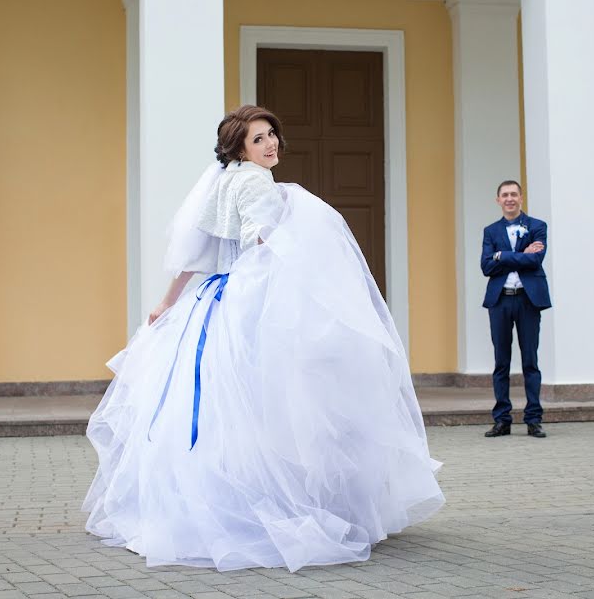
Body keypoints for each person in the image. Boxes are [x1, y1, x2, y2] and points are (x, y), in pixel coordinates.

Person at [83, 105, 444, 573]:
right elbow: (260, 240)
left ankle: (213, 503)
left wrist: (167, 301)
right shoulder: (255, 180)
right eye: (258, 139)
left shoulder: (225, 179)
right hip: (249, 299)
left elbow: (197, 251)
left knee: (224, 411)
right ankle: (274, 505)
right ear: (240, 147)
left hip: (214, 298)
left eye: (272, 134)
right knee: (278, 402)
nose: (270, 143)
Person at [480, 180, 552, 439]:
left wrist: (502, 256)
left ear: (521, 198)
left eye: (514, 194)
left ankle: (533, 419)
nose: (509, 198)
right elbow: (486, 266)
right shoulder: (490, 231)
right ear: (498, 200)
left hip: (528, 300)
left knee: (530, 361)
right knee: (501, 362)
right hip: (500, 301)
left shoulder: (537, 226)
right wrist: (514, 256)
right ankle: (502, 420)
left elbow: (536, 260)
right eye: (505, 195)